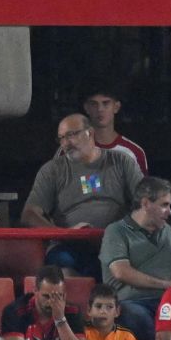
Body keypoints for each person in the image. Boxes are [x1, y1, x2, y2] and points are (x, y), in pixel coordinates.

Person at [23, 114, 142, 275]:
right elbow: (29, 214)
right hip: (68, 246)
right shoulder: (52, 170)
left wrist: (117, 233)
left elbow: (145, 203)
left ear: (90, 133)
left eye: (71, 135)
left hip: (116, 244)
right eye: (61, 138)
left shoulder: (121, 161)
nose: (65, 144)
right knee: (62, 263)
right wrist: (65, 234)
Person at [100, 177, 171, 336]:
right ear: (145, 203)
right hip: (132, 302)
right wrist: (166, 285)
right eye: (164, 205)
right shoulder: (116, 231)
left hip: (169, 302)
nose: (170, 212)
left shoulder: (168, 232)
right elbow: (121, 272)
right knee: (136, 317)